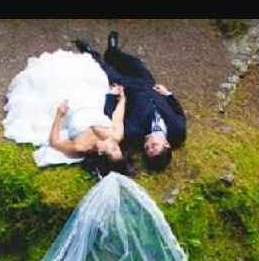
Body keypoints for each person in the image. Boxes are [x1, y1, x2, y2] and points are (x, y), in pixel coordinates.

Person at [2, 48, 130, 172]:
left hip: (71, 107)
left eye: (113, 150)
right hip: (92, 100)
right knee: (82, 74)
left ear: (101, 153)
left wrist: (59, 114)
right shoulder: (116, 136)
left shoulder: (80, 146)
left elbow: (55, 142)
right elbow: (117, 118)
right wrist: (122, 99)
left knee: (50, 84)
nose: (116, 146)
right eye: (118, 149)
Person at [75, 32, 187, 171]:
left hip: (129, 88)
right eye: (154, 146)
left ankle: (90, 53)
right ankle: (113, 52)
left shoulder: (134, 133)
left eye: (147, 149)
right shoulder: (178, 132)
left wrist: (112, 95)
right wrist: (168, 95)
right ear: (166, 145)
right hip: (149, 85)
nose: (148, 144)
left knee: (106, 71)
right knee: (135, 64)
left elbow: (111, 117)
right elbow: (179, 112)